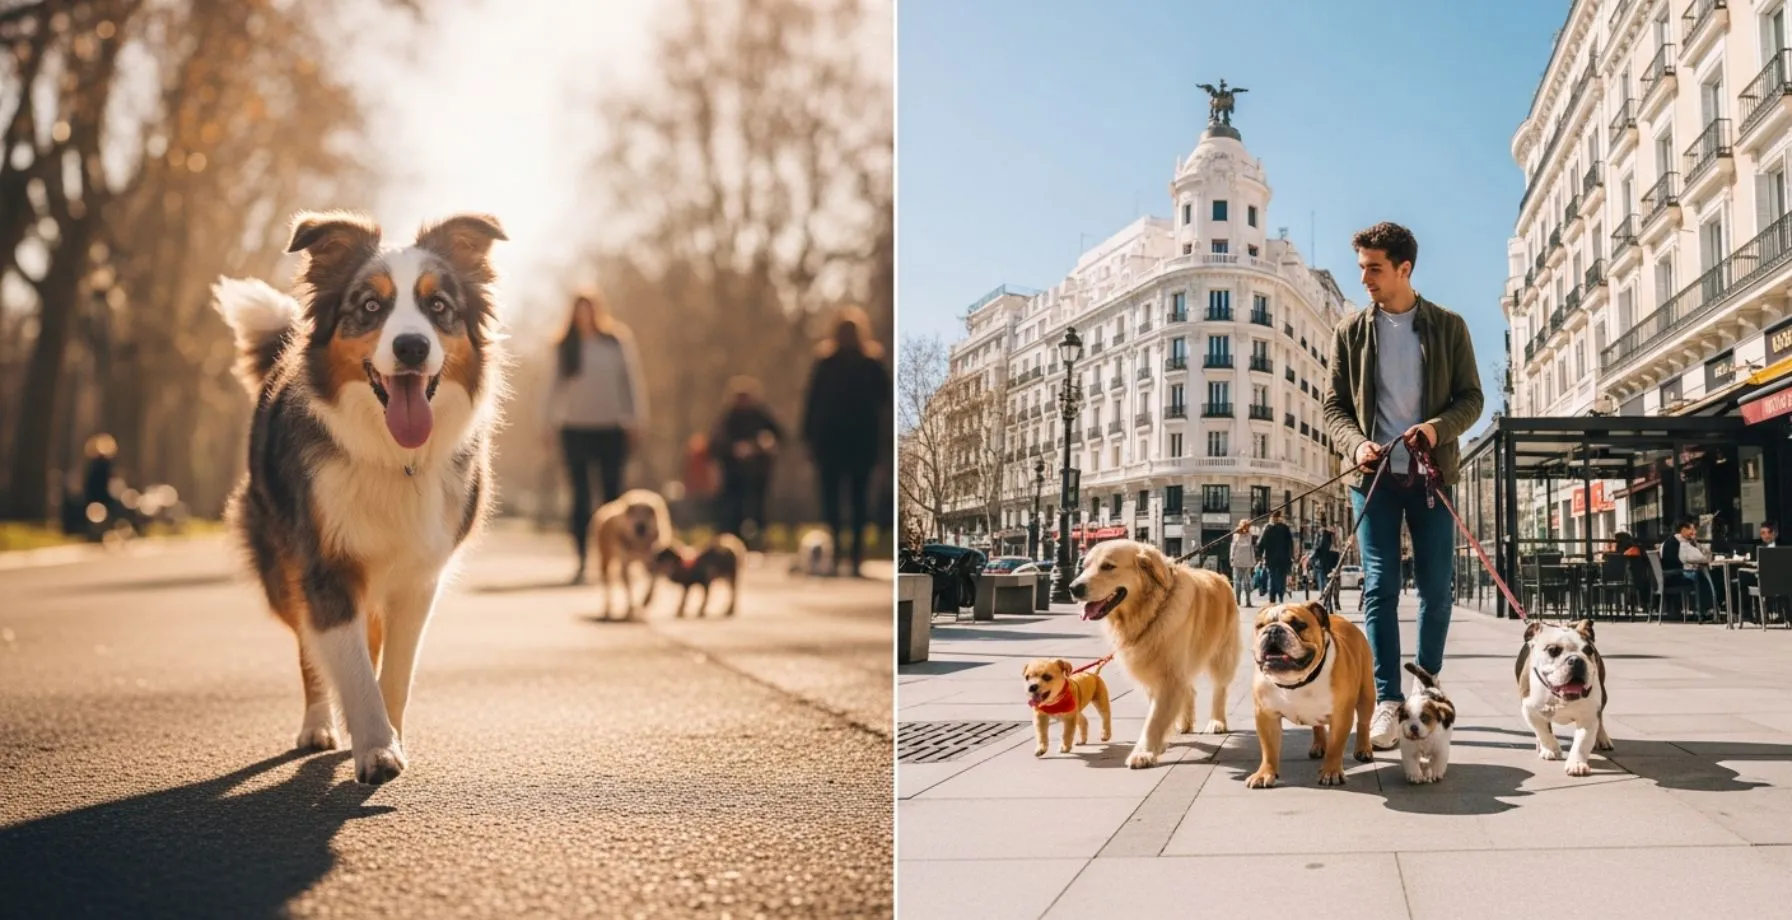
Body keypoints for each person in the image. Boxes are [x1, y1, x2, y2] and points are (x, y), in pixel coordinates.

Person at [1322, 221, 1484, 750]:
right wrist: (1355, 445)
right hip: (1373, 479)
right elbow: (1334, 408)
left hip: (1431, 475)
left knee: (1438, 590)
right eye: (1362, 268)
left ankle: (1428, 687)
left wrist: (1437, 429)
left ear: (1404, 269)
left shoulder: (1448, 326)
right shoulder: (1350, 332)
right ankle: (1388, 701)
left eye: (1374, 268)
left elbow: (1471, 399)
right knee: (1379, 587)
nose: (1365, 278)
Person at [545, 288, 649, 583]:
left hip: (611, 428)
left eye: (589, 309)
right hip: (575, 428)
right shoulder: (565, 346)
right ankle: (581, 559)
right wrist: (547, 423)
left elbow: (631, 381)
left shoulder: (616, 342)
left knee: (613, 496)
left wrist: (636, 418)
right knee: (580, 497)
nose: (584, 315)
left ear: (597, 311)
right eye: (579, 310)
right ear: (573, 314)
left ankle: (621, 558)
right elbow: (551, 388)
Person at [800, 306, 891, 577]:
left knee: (842, 498)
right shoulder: (863, 363)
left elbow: (812, 403)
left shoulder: (847, 363)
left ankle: (846, 554)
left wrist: (808, 437)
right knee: (853, 498)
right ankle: (849, 555)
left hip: (841, 440)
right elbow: (884, 404)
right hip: (852, 440)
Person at [709, 376, 784, 550]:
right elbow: (716, 443)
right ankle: (733, 543)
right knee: (733, 510)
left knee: (758, 509)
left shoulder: (762, 416)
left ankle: (759, 542)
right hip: (733, 474)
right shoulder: (727, 418)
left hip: (758, 472)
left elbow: (779, 436)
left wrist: (763, 445)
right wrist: (733, 449)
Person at [1660, 517, 1717, 622]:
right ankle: (1705, 610)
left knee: (1698, 574)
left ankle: (1701, 609)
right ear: (1683, 530)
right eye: (1692, 529)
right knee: (1703, 576)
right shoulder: (1683, 544)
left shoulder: (1665, 543)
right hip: (1677, 577)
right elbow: (1701, 558)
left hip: (1667, 578)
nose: (1694, 532)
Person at [1733, 521, 1777, 623]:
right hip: (1761, 577)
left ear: (1773, 533)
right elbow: (1752, 562)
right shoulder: (1757, 547)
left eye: (1766, 532)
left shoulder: (1783, 546)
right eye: (1762, 533)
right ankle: (1749, 613)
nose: (1764, 536)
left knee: (1743, 577)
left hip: (1775, 580)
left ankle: (1747, 613)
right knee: (1743, 577)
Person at [1257, 510, 1294, 604]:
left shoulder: (1267, 528)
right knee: (1281, 578)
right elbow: (1290, 543)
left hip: (1270, 558)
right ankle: (1281, 596)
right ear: (1279, 517)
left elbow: (1260, 543)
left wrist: (1259, 555)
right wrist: (1291, 556)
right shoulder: (1285, 528)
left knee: (1272, 578)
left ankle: (1272, 599)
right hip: (1284, 558)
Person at [1228, 518, 1257, 608]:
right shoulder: (1237, 535)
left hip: (1244, 561)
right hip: (1240, 561)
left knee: (1244, 582)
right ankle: (1239, 601)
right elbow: (1234, 547)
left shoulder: (1247, 535)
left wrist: (1231, 558)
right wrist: (1231, 558)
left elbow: (1247, 545)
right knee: (1239, 582)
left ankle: (1245, 601)